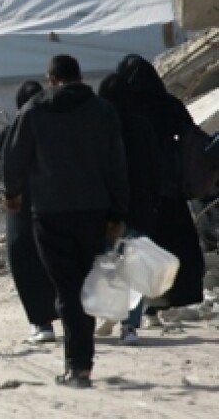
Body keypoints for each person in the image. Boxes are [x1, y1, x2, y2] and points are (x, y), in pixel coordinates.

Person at [2, 54, 129, 389]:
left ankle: (78, 365)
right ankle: (81, 361)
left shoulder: (34, 111)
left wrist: (13, 196)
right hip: (94, 211)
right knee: (86, 282)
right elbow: (117, 165)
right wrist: (118, 212)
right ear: (79, 76)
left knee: (67, 287)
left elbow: (13, 159)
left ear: (51, 78)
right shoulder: (103, 111)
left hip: (49, 212)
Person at [114, 55, 206, 322]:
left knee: (138, 249)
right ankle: (160, 304)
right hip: (170, 189)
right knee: (173, 246)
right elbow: (192, 136)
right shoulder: (168, 105)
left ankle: (138, 309)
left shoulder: (122, 108)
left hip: (135, 190)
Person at [95, 73, 160, 345]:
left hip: (108, 208)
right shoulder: (143, 126)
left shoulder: (98, 126)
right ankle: (130, 327)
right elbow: (156, 168)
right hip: (140, 206)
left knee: (109, 264)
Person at [0, 81, 59, 344]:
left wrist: (12, 204)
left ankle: (41, 323)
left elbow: (6, 173)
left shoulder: (11, 132)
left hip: (22, 208)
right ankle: (67, 314)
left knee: (26, 261)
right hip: (57, 206)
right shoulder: (59, 131)